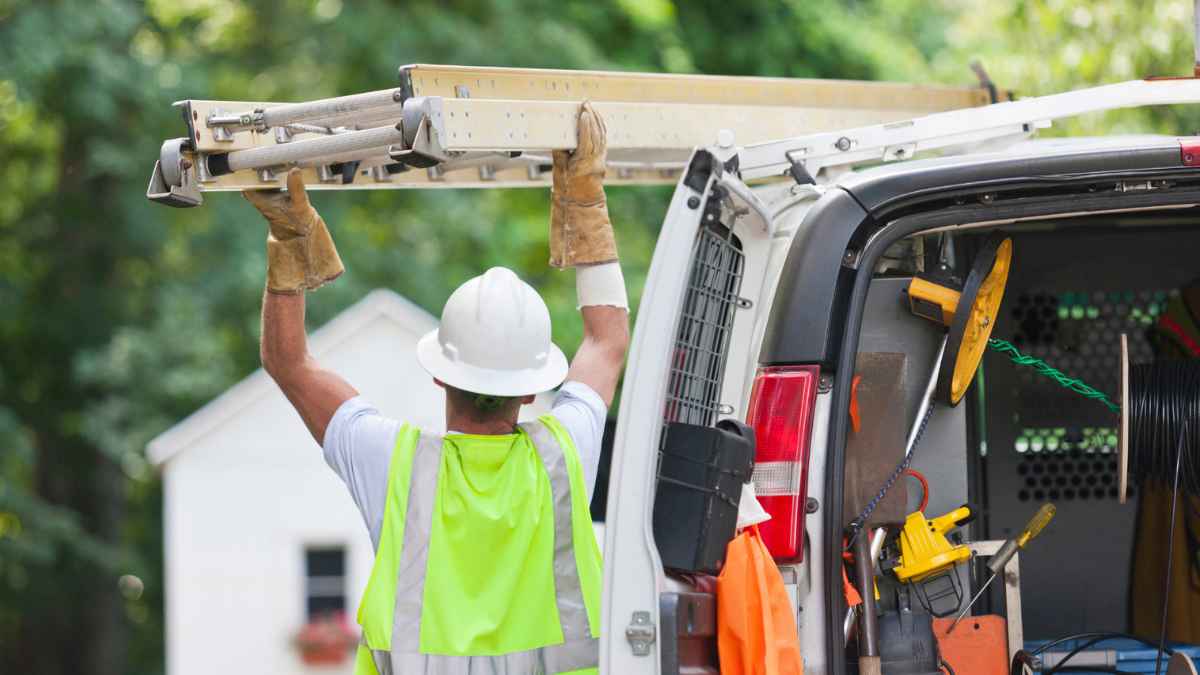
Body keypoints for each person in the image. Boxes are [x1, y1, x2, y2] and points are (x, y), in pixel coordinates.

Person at [248, 102, 628, 675]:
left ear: (440, 375)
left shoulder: (394, 464)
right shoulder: (565, 453)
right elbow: (606, 343)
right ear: (530, 391)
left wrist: (290, 240)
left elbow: (288, 361)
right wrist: (584, 200)